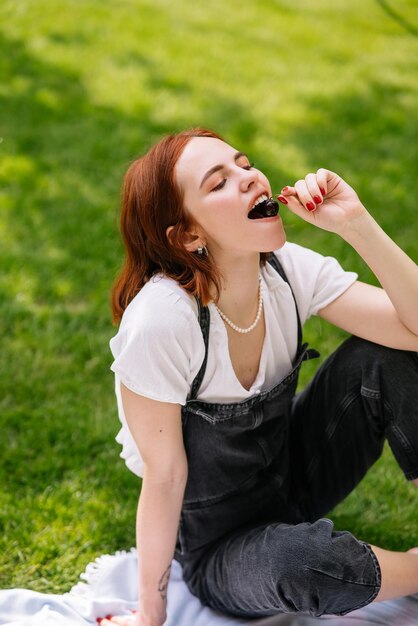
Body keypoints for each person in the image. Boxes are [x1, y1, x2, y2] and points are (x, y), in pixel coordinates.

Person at [104, 128, 418, 626]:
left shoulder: (286, 272)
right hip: (220, 549)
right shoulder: (163, 321)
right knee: (301, 564)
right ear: (188, 235)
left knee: (388, 359)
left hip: (295, 477)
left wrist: (357, 224)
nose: (249, 178)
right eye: (219, 182)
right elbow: (165, 478)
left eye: (244, 164)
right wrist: (151, 612)